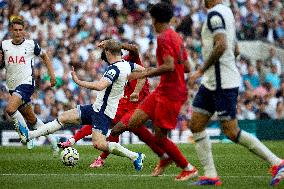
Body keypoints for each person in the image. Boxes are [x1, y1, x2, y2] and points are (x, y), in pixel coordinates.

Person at [188, 0, 284, 186]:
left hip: (222, 82)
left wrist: (200, 70)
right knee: (196, 124)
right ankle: (210, 175)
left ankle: (278, 163)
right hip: (212, 81)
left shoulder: (215, 14)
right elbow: (236, 48)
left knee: (231, 131)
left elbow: (222, 44)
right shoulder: (227, 12)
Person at [15, 39, 145, 171]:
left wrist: (78, 81)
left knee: (99, 144)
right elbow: (144, 72)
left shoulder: (114, 69)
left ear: (108, 52)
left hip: (103, 112)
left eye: (104, 51)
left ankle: (135, 156)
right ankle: (30, 135)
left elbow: (100, 86)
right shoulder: (126, 64)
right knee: (64, 117)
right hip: (97, 108)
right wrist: (136, 91)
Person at [111, 2, 197, 181]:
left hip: (170, 92)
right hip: (162, 89)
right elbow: (187, 66)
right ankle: (164, 157)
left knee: (160, 137)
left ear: (155, 19)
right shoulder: (176, 37)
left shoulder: (164, 38)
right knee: (133, 123)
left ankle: (187, 168)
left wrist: (148, 71)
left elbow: (169, 65)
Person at [58, 42, 169, 169]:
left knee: (117, 129)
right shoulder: (113, 68)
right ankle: (73, 141)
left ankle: (105, 158)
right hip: (124, 103)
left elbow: (135, 49)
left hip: (140, 106)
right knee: (98, 118)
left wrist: (114, 44)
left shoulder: (130, 61)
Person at [0, 17, 59, 156]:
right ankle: (53, 142)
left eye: (21, 30)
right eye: (15, 30)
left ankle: (27, 134)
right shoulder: (4, 45)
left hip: (26, 84)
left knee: (10, 109)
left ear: (24, 31)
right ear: (11, 30)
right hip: (12, 86)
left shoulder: (31, 44)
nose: (18, 33)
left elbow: (45, 57)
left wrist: (52, 76)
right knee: (32, 118)